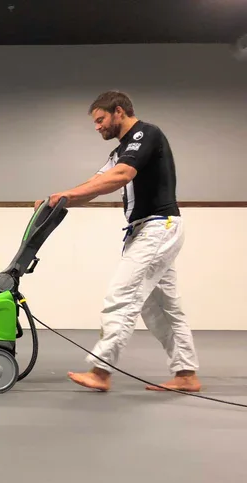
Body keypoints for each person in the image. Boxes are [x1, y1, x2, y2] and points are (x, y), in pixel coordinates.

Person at [36, 90, 202, 392]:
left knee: (121, 296)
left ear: (119, 112)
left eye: (100, 120)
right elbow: (95, 185)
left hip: (158, 226)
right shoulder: (119, 151)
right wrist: (56, 201)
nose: (97, 127)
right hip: (144, 229)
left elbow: (122, 175)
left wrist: (65, 196)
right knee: (161, 309)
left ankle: (101, 371)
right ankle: (186, 374)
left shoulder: (146, 134)